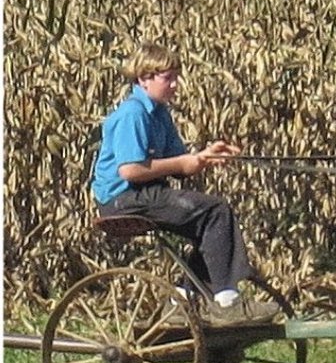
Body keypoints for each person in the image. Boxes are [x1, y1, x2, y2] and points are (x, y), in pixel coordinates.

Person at [90, 42, 278, 324]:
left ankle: (180, 301)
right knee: (215, 212)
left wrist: (205, 156)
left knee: (210, 225)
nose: (176, 85)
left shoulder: (160, 113)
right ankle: (227, 302)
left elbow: (180, 161)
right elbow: (130, 170)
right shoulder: (133, 114)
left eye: (177, 77)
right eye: (168, 78)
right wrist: (182, 164)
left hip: (148, 193)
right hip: (123, 198)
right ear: (144, 79)